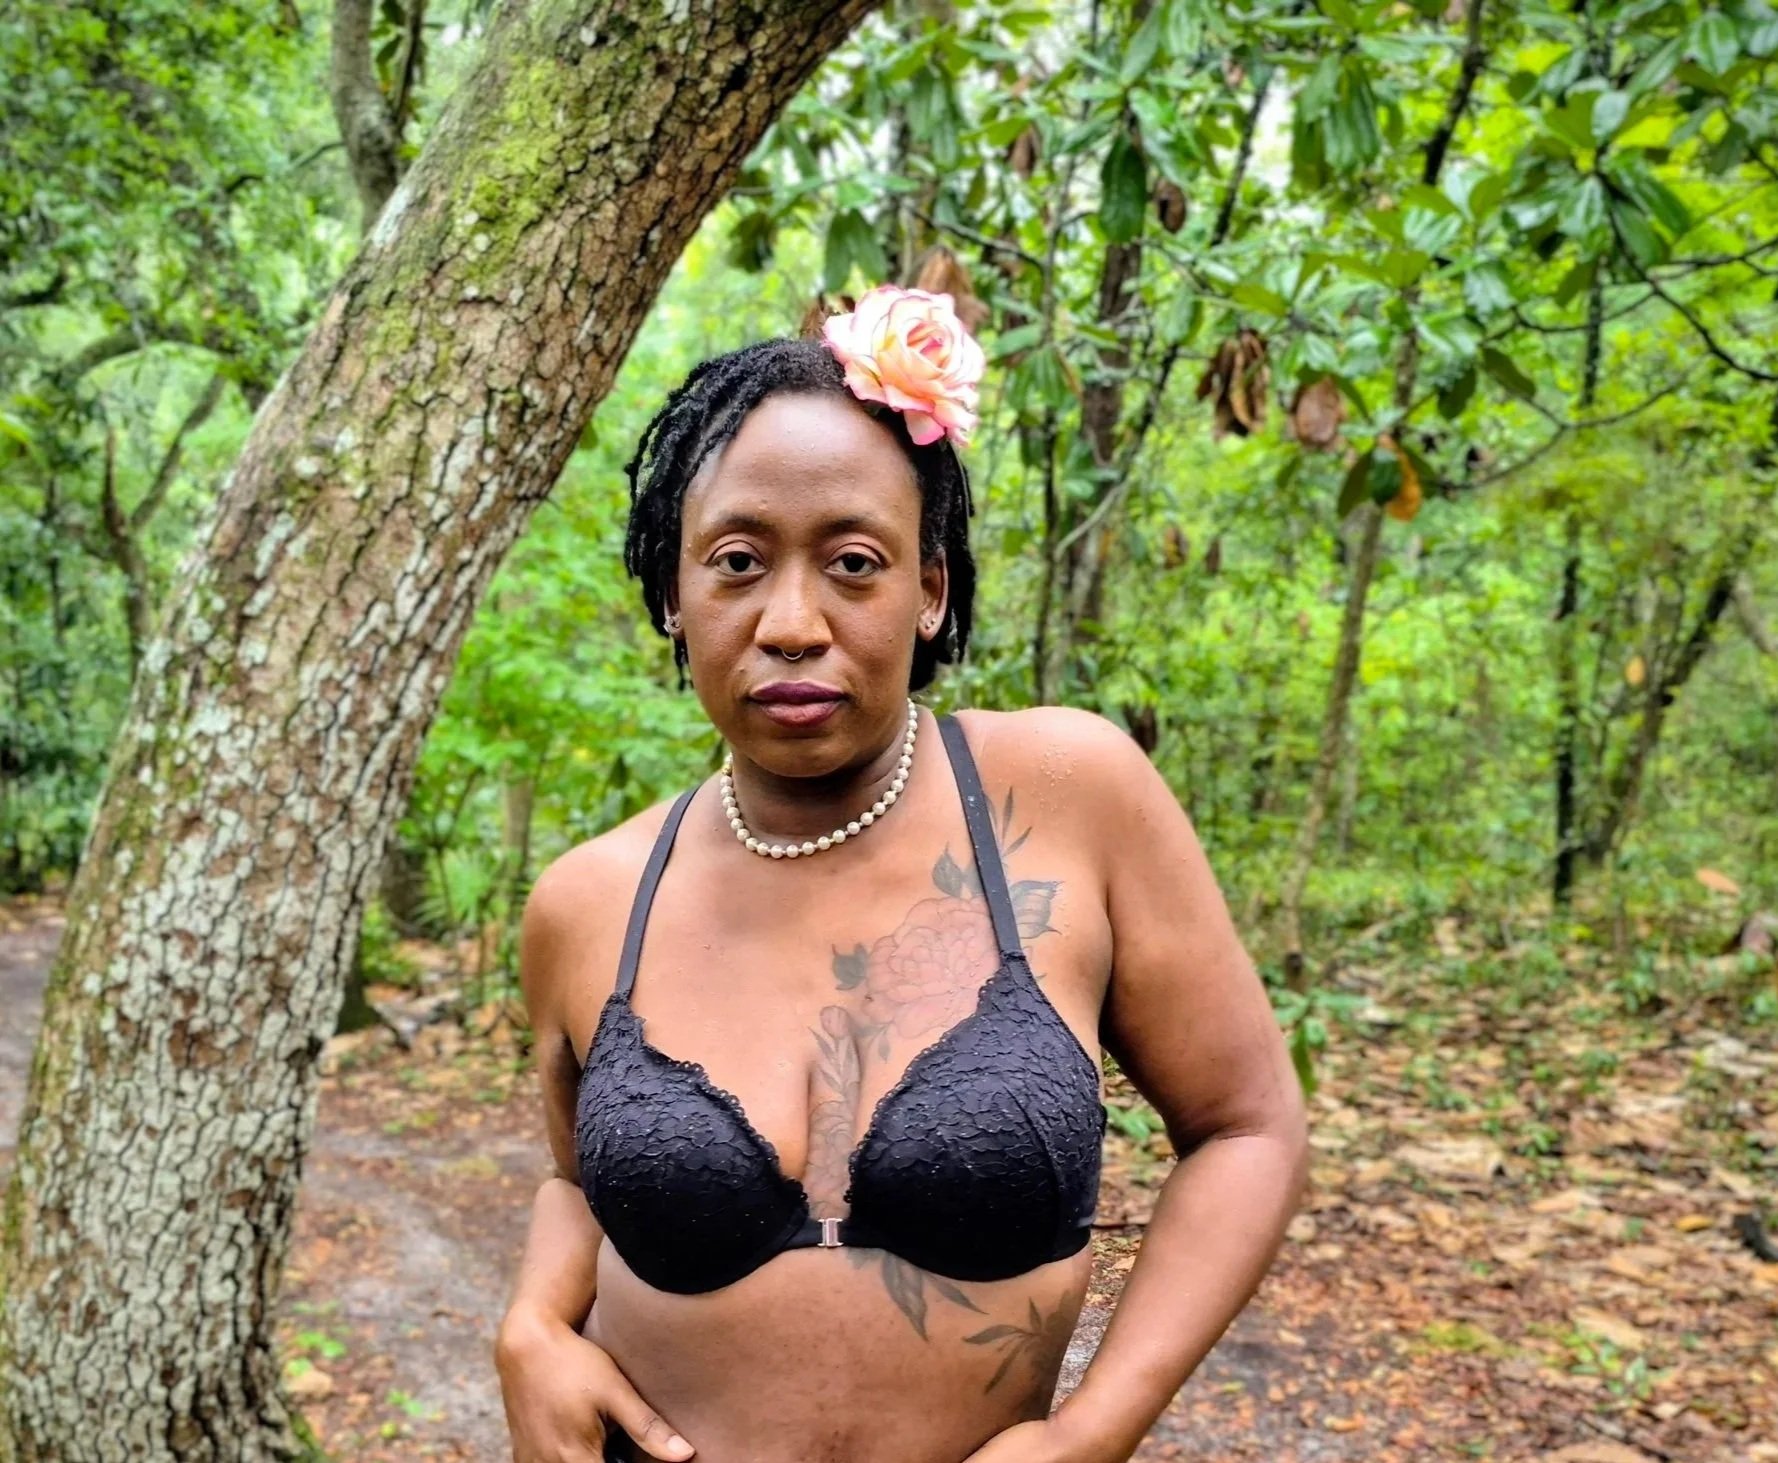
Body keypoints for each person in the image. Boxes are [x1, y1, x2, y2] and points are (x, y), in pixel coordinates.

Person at [495, 283, 1309, 1463]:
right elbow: (577, 1185)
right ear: (672, 595)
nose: (790, 620)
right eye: (734, 559)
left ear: (928, 587)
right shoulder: (587, 899)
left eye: (853, 562)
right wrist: (530, 1323)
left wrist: (1090, 1432)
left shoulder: (1066, 796)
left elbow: (1246, 1127)